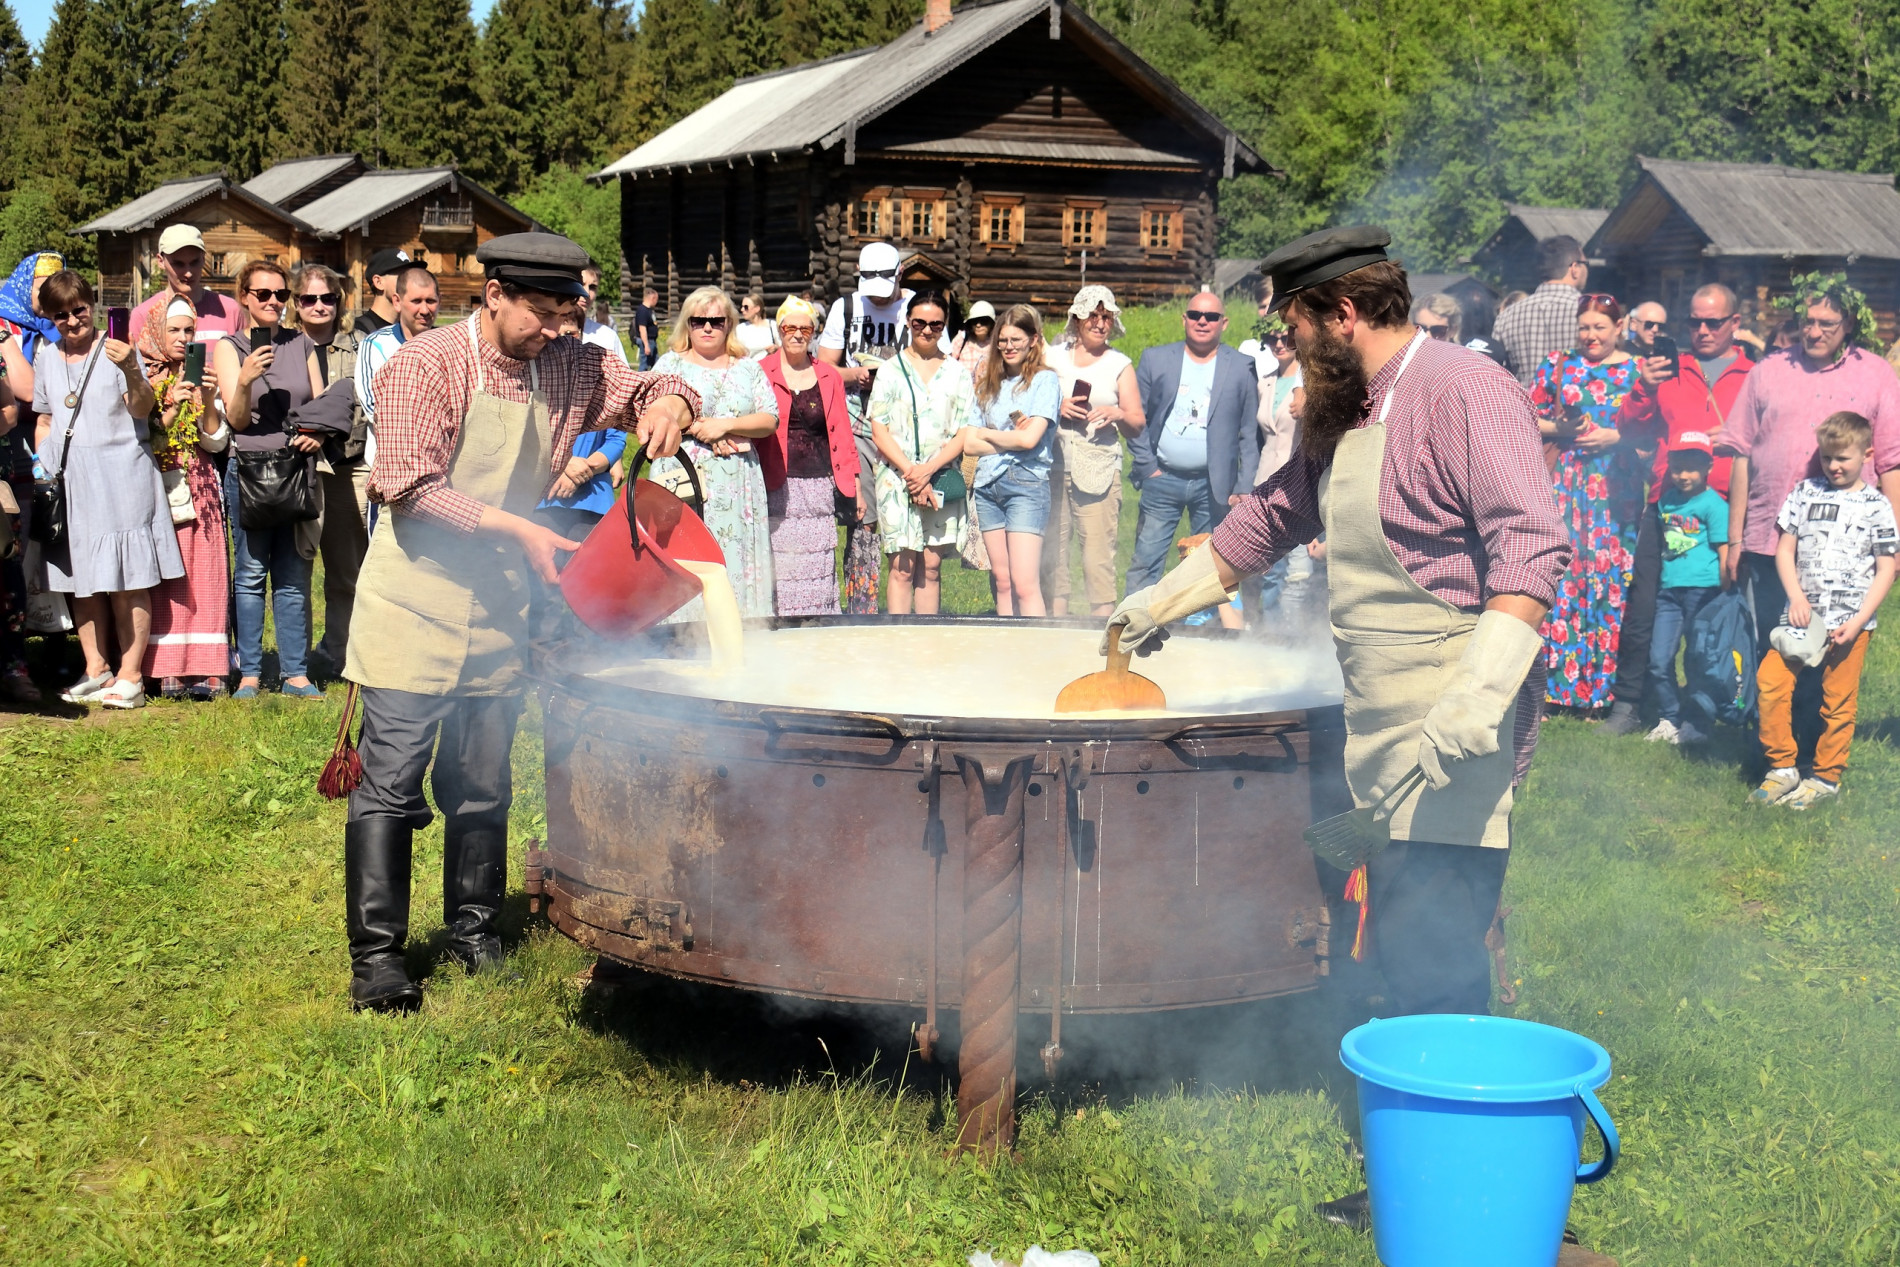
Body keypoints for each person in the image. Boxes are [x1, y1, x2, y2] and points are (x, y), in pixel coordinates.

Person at [1102, 227, 1568, 1233]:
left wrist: (1477, 700)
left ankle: (1466, 1187)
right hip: (1379, 726)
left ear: (1341, 316)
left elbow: (1531, 553)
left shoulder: (1463, 390)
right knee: (1391, 940)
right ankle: (1413, 1160)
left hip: (1456, 722)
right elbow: (1264, 522)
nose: (1280, 347)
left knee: (1435, 952)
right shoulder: (1344, 408)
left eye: (1292, 327)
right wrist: (1158, 601)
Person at [337, 232, 694, 1012]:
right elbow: (407, 487)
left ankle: (472, 928)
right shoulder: (424, 365)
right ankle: (379, 958)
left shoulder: (569, 360)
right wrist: (523, 531)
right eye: (544, 313)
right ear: (493, 293)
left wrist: (670, 401)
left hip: (501, 604)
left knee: (481, 783)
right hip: (414, 601)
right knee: (391, 785)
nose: (559, 330)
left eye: (571, 313)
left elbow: (652, 383)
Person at [1718, 274, 1900, 652]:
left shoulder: (1877, 374)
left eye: (1827, 324)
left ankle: (1818, 713)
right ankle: (1771, 712)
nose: (1814, 332)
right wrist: (1735, 538)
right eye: (1808, 322)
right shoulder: (1768, 370)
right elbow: (1741, 455)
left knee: (1830, 649)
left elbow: (1891, 462)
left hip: (1845, 546)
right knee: (1772, 642)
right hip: (1770, 536)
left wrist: (1893, 546)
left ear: (1848, 323)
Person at [1602, 283, 1751, 735]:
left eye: (1713, 322)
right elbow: (1629, 427)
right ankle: (1629, 703)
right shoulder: (1672, 369)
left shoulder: (1753, 375)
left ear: (1735, 324)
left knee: (1712, 615)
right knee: (1645, 606)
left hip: (1726, 505)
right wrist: (1644, 388)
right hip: (1666, 505)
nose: (1702, 330)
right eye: (1694, 322)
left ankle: (1709, 705)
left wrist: (1737, 437)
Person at [33, 271, 178, 709]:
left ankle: (131, 675)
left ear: (92, 305)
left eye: (79, 310)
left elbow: (143, 407)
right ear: (50, 317)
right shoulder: (47, 356)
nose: (73, 321)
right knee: (83, 581)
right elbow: (43, 416)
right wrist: (46, 461)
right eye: (62, 315)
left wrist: (132, 367)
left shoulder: (116, 350)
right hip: (72, 481)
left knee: (127, 579)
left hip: (122, 475)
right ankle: (96, 669)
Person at [1752, 411, 1897, 809]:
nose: (1833, 466)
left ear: (1866, 454)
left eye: (1843, 458)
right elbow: (1784, 550)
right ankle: (1782, 767)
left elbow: (1887, 567)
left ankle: (1827, 777)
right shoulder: (1804, 492)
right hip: (1801, 617)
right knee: (1771, 683)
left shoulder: (1877, 506)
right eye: (1827, 457)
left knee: (1837, 702)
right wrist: (1796, 598)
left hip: (1852, 623)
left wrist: (1859, 619)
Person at [214, 260, 327, 699]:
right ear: (245, 296)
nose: (274, 303)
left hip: (297, 468)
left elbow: (318, 404)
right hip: (250, 470)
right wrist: (245, 380)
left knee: (294, 572)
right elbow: (238, 420)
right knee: (250, 572)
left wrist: (317, 432)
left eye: (281, 295)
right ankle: (250, 674)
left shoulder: (302, 343)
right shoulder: (231, 347)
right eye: (264, 294)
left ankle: (296, 674)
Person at [1529, 293, 1643, 712]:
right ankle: (1554, 689)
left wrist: (1614, 436)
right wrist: (1559, 426)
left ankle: (1603, 690)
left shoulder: (1636, 371)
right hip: (1567, 486)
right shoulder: (1559, 365)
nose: (1590, 335)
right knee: (1565, 581)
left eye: (1599, 327)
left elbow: (1652, 428)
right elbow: (1524, 413)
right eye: (1584, 327)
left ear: (1619, 327)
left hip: (1616, 490)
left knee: (1608, 585)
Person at [650, 286, 780, 617]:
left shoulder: (747, 367)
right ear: (687, 324)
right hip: (680, 477)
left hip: (737, 484)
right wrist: (699, 429)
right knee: (684, 553)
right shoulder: (670, 365)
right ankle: (680, 632)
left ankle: (738, 632)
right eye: (698, 320)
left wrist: (725, 425)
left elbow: (769, 418)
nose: (707, 328)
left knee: (732, 557)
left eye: (716, 321)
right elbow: (650, 413)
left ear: (729, 324)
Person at [1125, 289, 1262, 597]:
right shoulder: (1155, 359)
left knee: (1210, 565)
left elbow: (1248, 432)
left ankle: (1203, 632)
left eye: (1211, 316)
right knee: (1146, 560)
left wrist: (1243, 485)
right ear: (1184, 319)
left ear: (1223, 323)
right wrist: (1147, 467)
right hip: (1162, 479)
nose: (1203, 321)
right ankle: (1131, 624)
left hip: (1214, 485)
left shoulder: (1242, 366)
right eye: (1196, 315)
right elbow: (1137, 418)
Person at [137, 296, 230, 700]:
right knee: (169, 574)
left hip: (201, 479)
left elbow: (216, 438)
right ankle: (168, 666)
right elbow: (152, 438)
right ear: (157, 331)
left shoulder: (203, 376)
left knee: (205, 572)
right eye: (173, 330)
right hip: (161, 479)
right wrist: (172, 401)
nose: (181, 338)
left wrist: (208, 399)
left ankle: (208, 667)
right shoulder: (145, 379)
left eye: (188, 330)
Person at [820, 242, 919, 613]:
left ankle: (910, 609)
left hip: (904, 430)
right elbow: (825, 368)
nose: (877, 301)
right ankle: (861, 607)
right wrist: (855, 374)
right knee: (863, 521)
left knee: (907, 520)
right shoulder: (845, 308)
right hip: (856, 425)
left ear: (900, 275)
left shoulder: (919, 309)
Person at [867, 289, 972, 615]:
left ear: (945, 326)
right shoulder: (889, 370)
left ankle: (929, 643)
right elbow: (878, 428)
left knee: (930, 566)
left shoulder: (957, 373)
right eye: (920, 322)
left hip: (939, 476)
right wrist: (912, 472)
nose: (927, 330)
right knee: (901, 566)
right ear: (908, 322)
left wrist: (928, 471)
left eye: (936, 325)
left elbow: (963, 430)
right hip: (897, 479)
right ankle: (898, 641)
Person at [289, 262, 372, 675]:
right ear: (296, 303)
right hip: (294, 470)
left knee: (345, 571)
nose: (319, 306)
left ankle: (340, 653)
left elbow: (363, 403)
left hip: (345, 467)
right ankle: (294, 660)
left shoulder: (360, 347)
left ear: (339, 302)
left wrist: (324, 430)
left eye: (328, 298)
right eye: (309, 299)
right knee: (293, 570)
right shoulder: (283, 346)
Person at [1042, 286, 1144, 617]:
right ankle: (1054, 630)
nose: (1099, 323)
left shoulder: (1119, 364)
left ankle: (1103, 635)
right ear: (1077, 317)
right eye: (1093, 315)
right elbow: (1025, 401)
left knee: (1097, 555)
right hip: (1052, 465)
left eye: (1106, 317)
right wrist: (1057, 407)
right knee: (1053, 553)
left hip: (1098, 469)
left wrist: (1117, 414)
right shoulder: (1052, 358)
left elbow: (1137, 423)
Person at [760, 296, 858, 615]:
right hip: (777, 484)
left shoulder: (828, 375)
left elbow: (842, 430)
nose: (798, 334)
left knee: (818, 563)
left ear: (814, 332)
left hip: (819, 486)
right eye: (790, 326)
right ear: (780, 329)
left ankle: (816, 625)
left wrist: (853, 482)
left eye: (806, 328)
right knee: (783, 565)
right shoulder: (760, 372)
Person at [962, 304, 1060, 617]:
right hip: (988, 487)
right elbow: (968, 442)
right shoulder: (988, 384)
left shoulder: (1045, 381)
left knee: (1024, 582)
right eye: (1002, 340)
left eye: (1016, 339)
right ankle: (1004, 647)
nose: (1008, 346)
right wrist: (1011, 440)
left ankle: (1037, 652)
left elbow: (1030, 440)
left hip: (1027, 486)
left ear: (1034, 339)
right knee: (1002, 580)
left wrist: (989, 435)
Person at [1645, 435, 1728, 744]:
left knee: (1697, 656)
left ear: (1708, 466)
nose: (1683, 475)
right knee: (1659, 658)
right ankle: (1669, 716)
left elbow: (1723, 550)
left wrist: (1724, 590)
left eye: (1692, 469)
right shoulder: (1666, 501)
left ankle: (1697, 721)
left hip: (1703, 591)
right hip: (1669, 592)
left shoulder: (1714, 505)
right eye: (1678, 468)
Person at [355, 267, 441, 470]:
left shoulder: (451, 345)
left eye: (430, 301)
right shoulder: (375, 345)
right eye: (416, 301)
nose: (425, 310)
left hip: (439, 467)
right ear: (397, 302)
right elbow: (372, 406)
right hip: (390, 468)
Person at [128, 226, 244, 360]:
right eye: (178, 264)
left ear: (203, 258)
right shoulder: (144, 315)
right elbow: (135, 375)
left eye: (194, 262)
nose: (188, 273)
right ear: (161, 261)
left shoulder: (230, 310)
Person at [1493, 234, 1588, 386]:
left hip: (1523, 407)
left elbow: (1495, 370)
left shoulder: (1507, 316)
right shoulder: (1589, 312)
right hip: (1575, 407)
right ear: (1574, 268)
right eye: (1585, 263)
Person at [351, 248, 420, 336]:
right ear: (378, 282)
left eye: (411, 276)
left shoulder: (415, 330)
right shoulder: (358, 333)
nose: (410, 282)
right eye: (402, 277)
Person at [578, 265, 628, 363]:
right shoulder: (550, 332)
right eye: (581, 284)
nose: (586, 293)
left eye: (592, 287)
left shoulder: (607, 337)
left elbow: (623, 376)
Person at [951, 300, 995, 372]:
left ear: (991, 323)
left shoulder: (996, 343)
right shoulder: (962, 339)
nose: (978, 325)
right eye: (975, 321)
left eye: (983, 321)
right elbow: (949, 363)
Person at [734, 293, 778, 358]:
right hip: (749, 367)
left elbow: (782, 347)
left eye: (746, 307)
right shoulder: (740, 329)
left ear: (757, 309)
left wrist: (776, 348)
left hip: (769, 366)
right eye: (741, 307)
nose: (742, 310)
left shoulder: (772, 326)